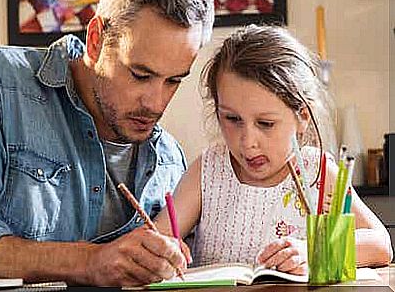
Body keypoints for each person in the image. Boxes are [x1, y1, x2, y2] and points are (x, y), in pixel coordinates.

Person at [0, 0, 214, 287]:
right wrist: (88, 261)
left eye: (174, 81)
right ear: (97, 38)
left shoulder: (171, 161)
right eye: (140, 75)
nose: (156, 103)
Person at [154, 25, 393, 275]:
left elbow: (381, 245)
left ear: (302, 116)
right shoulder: (208, 170)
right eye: (232, 119)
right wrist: (163, 252)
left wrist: (314, 251)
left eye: (265, 123)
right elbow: (157, 239)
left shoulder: (317, 173)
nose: (248, 142)